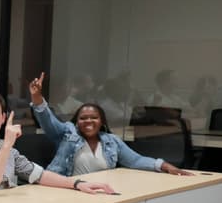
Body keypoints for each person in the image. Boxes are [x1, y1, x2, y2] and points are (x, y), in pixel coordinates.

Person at [0, 92, 116, 196]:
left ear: (3, 118)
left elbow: (39, 175)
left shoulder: (6, 148)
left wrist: (77, 184)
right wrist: (7, 146)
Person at [28, 72, 190, 176]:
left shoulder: (111, 141)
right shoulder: (68, 134)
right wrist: (37, 98)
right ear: (76, 122)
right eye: (83, 118)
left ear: (102, 121)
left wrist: (164, 166)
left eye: (94, 117)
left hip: (100, 193)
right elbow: (48, 121)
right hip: (67, 190)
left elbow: (135, 160)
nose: (88, 121)